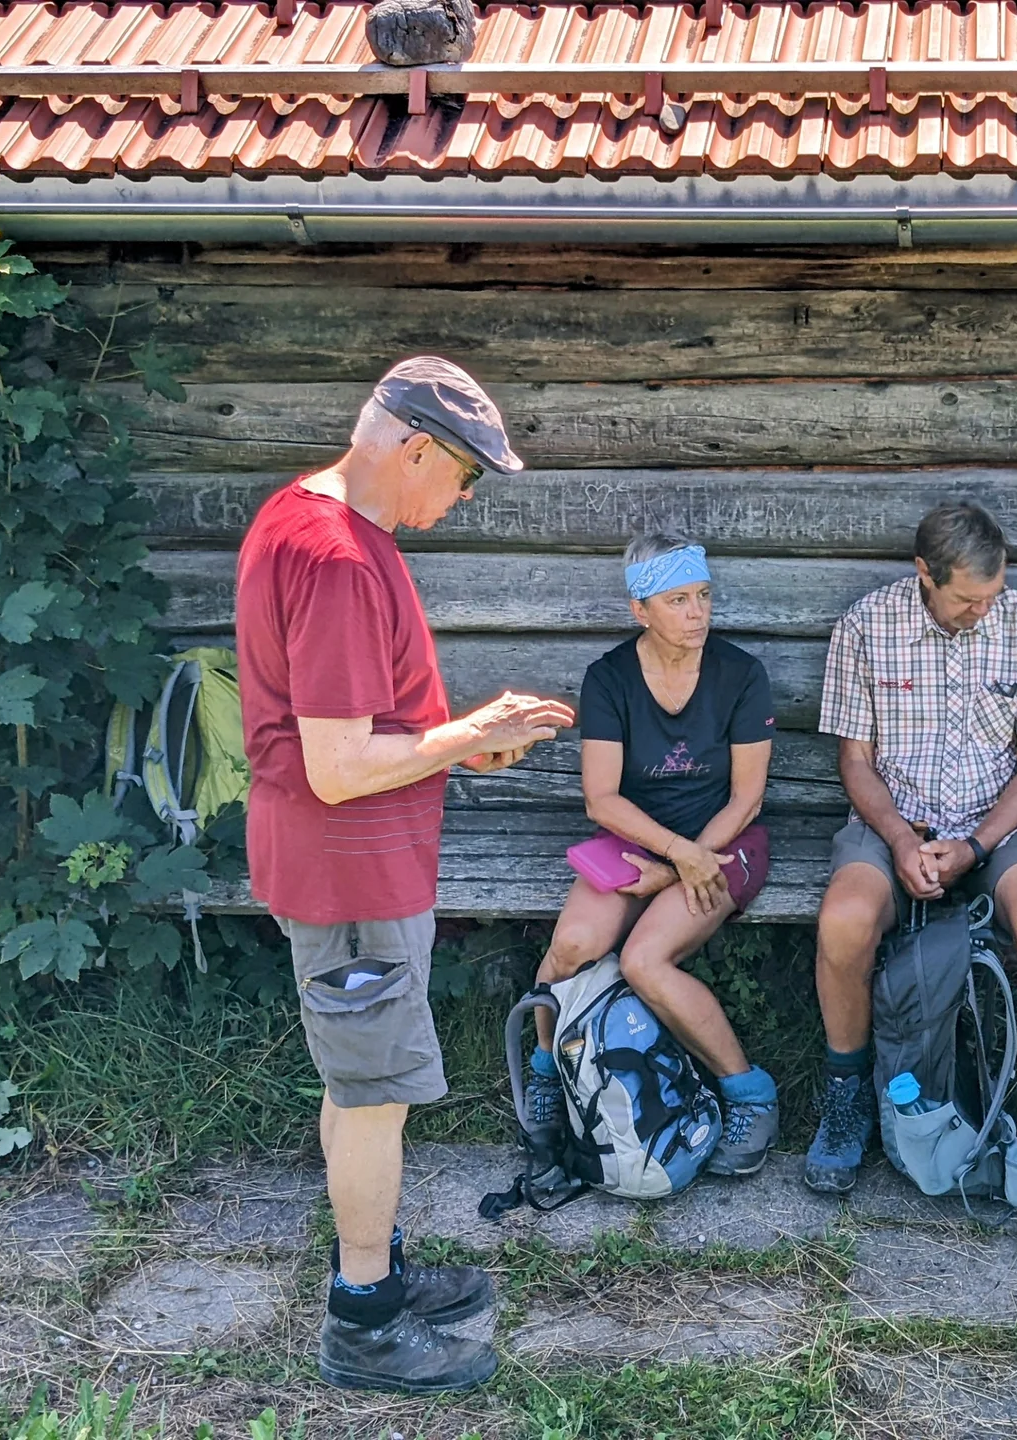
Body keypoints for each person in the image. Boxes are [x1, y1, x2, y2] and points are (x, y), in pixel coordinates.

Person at [236, 356, 576, 1393]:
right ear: (417, 448)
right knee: (377, 1096)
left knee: (358, 1087)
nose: (461, 501)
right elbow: (337, 768)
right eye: (465, 479)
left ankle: (372, 1267)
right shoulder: (335, 556)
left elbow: (362, 730)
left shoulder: (308, 518)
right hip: (350, 877)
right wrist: (470, 728)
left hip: (354, 864)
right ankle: (364, 1323)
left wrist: (458, 746)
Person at [804, 501, 1017, 1195]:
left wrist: (978, 846)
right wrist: (900, 839)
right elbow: (856, 762)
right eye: (966, 600)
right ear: (924, 573)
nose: (982, 611)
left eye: (991, 596)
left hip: (999, 826)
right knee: (844, 921)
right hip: (892, 824)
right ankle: (847, 1100)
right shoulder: (867, 627)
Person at [524, 533, 779, 1178]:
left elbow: (747, 800)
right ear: (641, 610)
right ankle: (553, 1074)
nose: (697, 613)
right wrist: (670, 857)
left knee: (644, 961)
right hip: (636, 841)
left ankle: (751, 1095)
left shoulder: (740, 675)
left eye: (702, 597)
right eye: (677, 601)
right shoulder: (609, 678)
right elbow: (602, 799)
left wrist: (687, 863)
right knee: (572, 946)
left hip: (726, 843)